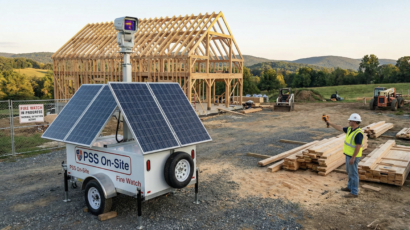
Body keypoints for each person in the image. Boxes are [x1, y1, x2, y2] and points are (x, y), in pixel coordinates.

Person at [325, 113, 363, 198]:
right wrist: (329, 123)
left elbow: (358, 146)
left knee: (353, 174)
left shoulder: (358, 133)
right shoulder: (350, 129)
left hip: (353, 156)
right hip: (348, 155)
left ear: (355, 121)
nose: (348, 121)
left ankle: (354, 192)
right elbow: (339, 128)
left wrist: (353, 158)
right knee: (349, 172)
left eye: (350, 120)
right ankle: (350, 187)